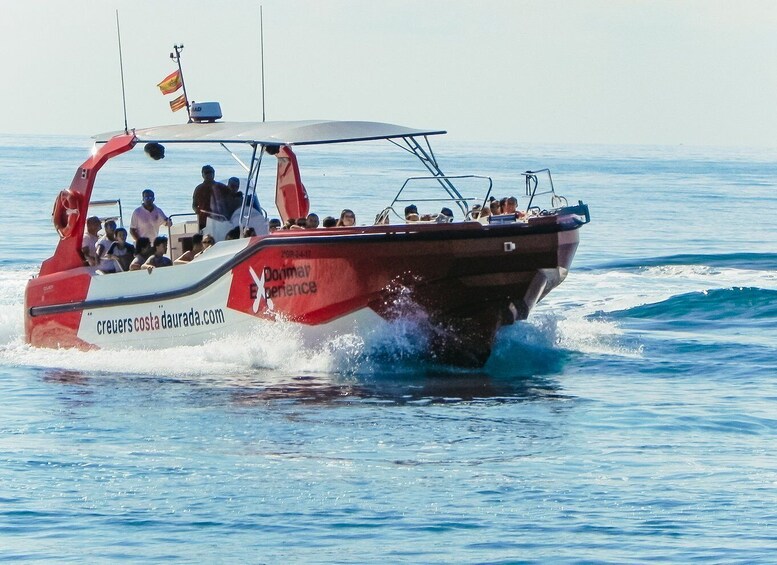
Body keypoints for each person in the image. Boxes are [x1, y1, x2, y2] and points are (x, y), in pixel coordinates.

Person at [192, 165, 228, 230]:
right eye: (206, 172)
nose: (209, 174)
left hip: (219, 220)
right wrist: (198, 212)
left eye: (211, 172)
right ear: (202, 175)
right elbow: (194, 205)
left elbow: (229, 201)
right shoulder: (198, 189)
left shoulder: (222, 187)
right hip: (203, 221)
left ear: (214, 173)